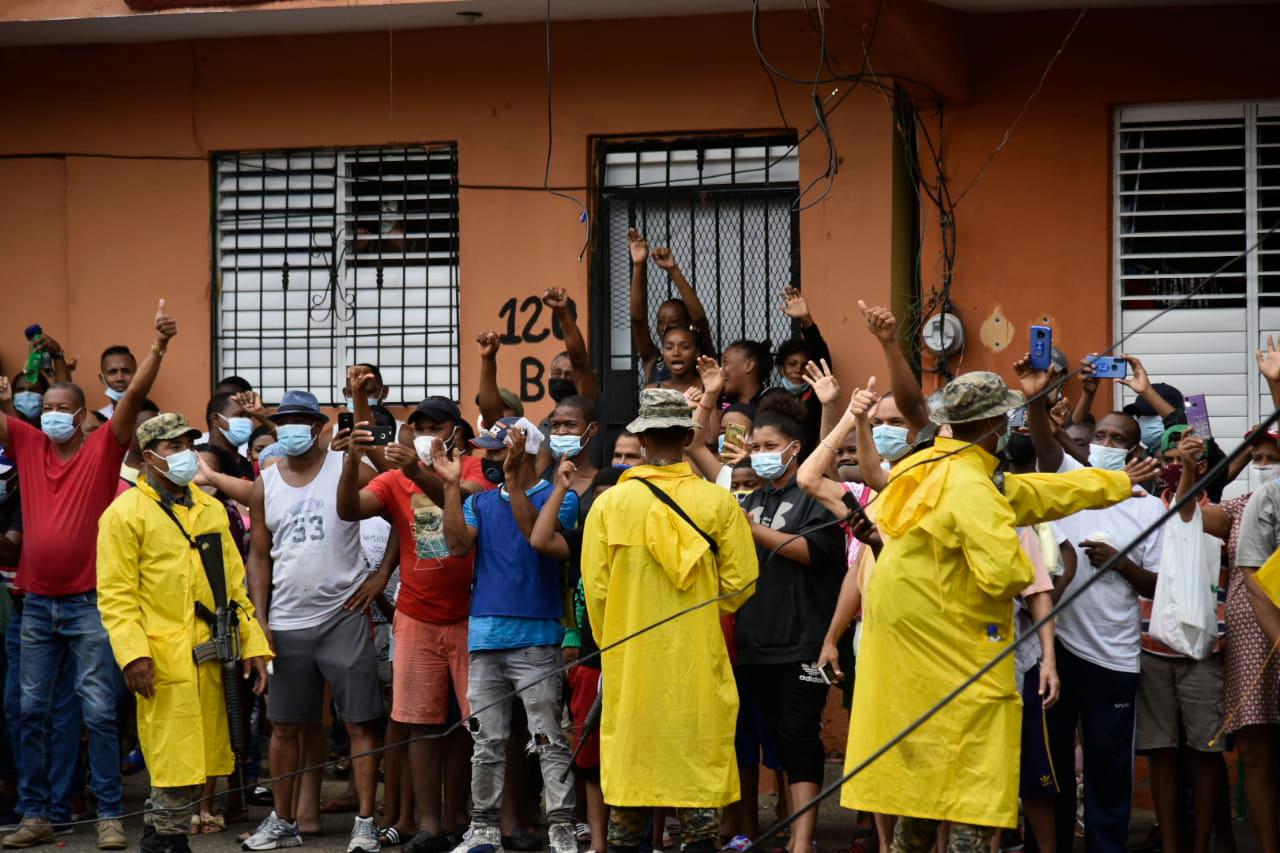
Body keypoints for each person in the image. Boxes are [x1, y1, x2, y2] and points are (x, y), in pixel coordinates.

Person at [843, 370, 1148, 853]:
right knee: (969, 796)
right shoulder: (971, 487)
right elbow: (1007, 574)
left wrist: (1113, 484)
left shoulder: (920, 467)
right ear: (991, 424)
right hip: (957, 665)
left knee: (920, 796)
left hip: (910, 667)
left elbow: (1036, 494)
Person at [0, 299, 176, 852]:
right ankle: (36, 814)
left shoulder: (102, 448)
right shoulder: (28, 444)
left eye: (61, 406)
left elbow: (132, 401)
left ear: (79, 415)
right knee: (31, 712)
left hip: (90, 603)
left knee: (99, 713)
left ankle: (107, 816)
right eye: (45, 405)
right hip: (35, 604)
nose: (50, 412)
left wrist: (158, 348)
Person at [580, 388, 758, 853]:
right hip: (696, 668)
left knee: (629, 796)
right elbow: (741, 585)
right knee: (697, 792)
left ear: (641, 439)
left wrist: (618, 638)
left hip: (631, 668)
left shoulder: (608, 506)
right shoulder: (717, 504)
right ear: (686, 437)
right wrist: (696, 614)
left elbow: (594, 594)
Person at [96, 413, 271, 853]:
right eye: (173, 447)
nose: (184, 455)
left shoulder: (211, 509)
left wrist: (252, 644)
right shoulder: (125, 514)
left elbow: (234, 587)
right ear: (149, 456)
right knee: (171, 759)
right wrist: (133, 655)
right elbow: (116, 596)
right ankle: (167, 839)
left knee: (204, 758)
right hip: (161, 659)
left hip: (212, 654)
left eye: (188, 444)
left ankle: (162, 836)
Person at [1018, 358, 1166, 853]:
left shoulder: (1147, 505)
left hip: (1114, 657)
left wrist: (1120, 564)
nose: (1104, 444)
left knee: (1108, 768)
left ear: (1134, 450)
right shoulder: (1070, 483)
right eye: (1098, 435)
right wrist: (1036, 398)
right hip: (1054, 655)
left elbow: (1156, 586)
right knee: (1052, 767)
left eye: (1116, 439)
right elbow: (1043, 442)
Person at [336, 393, 493, 853]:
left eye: (434, 426)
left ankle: (463, 816)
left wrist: (419, 472)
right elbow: (349, 509)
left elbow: (472, 500)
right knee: (419, 725)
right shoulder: (391, 480)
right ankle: (430, 825)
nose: (425, 433)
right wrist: (351, 461)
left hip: (470, 616)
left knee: (474, 726)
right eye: (418, 426)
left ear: (456, 434)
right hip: (416, 616)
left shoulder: (478, 472)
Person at [242, 391, 384, 853]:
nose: (293, 428)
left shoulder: (349, 468)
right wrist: (260, 619)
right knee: (283, 726)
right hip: (286, 620)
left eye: (303, 420)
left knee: (360, 721)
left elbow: (399, 511)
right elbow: (259, 554)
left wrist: (380, 577)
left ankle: (365, 822)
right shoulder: (267, 482)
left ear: (320, 426)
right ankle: (282, 822)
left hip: (343, 614)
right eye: (285, 421)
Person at [436, 420, 578, 853]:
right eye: (488, 452)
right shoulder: (478, 501)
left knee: (548, 737)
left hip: (537, 636)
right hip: (485, 635)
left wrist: (515, 481)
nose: (489, 460)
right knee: (486, 739)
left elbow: (535, 535)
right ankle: (482, 829)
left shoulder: (561, 498)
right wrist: (449, 487)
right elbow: (458, 546)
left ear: (526, 451)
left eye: (498, 452)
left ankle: (561, 827)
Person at [736, 394, 844, 853]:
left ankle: (803, 841)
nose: (759, 453)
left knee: (800, 736)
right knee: (773, 738)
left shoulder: (814, 494)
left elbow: (812, 552)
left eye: (768, 445)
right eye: (754, 446)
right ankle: (784, 824)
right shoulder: (754, 497)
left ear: (794, 448)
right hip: (756, 640)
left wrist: (749, 528)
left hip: (805, 641)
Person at [1133, 428, 1230, 853]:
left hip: (1203, 654)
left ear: (1202, 467)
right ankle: (1171, 844)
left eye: (1182, 460)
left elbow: (1186, 515)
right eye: (1168, 459)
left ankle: (1200, 845)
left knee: (1205, 752)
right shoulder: (1143, 509)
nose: (1170, 466)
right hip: (1152, 651)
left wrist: (1188, 471)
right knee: (1161, 753)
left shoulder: (1220, 515)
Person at [517, 460, 621, 853]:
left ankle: (648, 835)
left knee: (633, 750)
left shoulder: (647, 539)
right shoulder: (585, 539)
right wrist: (561, 489)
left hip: (638, 657)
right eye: (598, 501)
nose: (607, 510)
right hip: (593, 661)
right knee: (590, 755)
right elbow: (541, 539)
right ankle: (598, 841)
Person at [1229, 451, 1280, 853]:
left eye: (1271, 456)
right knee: (1257, 750)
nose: (1264, 463)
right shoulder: (1257, 501)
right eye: (1257, 457)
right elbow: (1252, 574)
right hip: (1259, 637)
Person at [627, 230, 714, 384]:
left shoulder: (701, 358)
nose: (665, 327)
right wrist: (638, 265)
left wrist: (673, 270)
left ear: (689, 324)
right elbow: (637, 319)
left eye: (674, 322)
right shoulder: (654, 359)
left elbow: (700, 319)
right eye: (660, 322)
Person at [772, 288, 832, 447]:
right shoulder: (770, 397)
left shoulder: (818, 396)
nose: (798, 370)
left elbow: (820, 353)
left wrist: (806, 319)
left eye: (804, 365)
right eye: (792, 364)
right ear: (781, 369)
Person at [544, 396, 600, 496]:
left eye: (570, 424)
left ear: (591, 429)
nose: (561, 432)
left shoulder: (601, 486)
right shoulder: (542, 476)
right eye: (555, 425)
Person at [205, 393, 256, 479]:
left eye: (248, 416)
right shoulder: (199, 461)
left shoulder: (250, 467)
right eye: (239, 415)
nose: (246, 421)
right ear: (216, 419)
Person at [96, 346, 135, 420]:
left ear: (137, 376)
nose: (120, 378)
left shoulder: (151, 416)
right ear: (102, 379)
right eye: (112, 372)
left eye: (126, 371)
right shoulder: (98, 420)